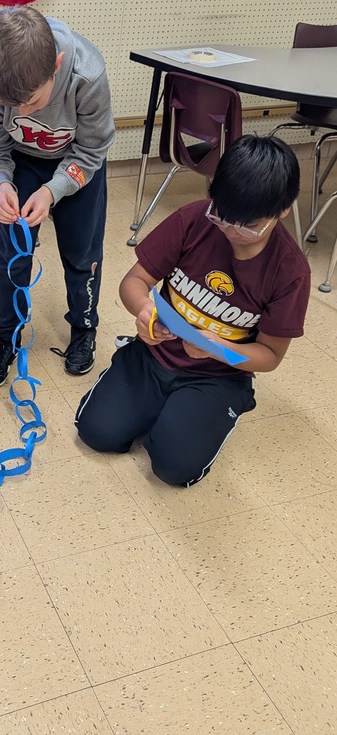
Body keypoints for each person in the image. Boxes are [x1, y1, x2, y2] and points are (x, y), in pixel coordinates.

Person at [75, 133, 311, 487]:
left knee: (175, 469)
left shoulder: (290, 271)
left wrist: (217, 347)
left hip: (218, 375)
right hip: (155, 353)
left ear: (283, 209)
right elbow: (134, 282)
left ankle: (205, 410)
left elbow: (270, 355)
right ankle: (147, 387)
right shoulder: (193, 219)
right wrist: (144, 312)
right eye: (222, 216)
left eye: (249, 226)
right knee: (96, 433)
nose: (232, 233)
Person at [0, 6, 115, 388]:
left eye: (32, 103)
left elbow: (92, 151)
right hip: (21, 165)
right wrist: (1, 183)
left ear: (57, 65)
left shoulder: (88, 73)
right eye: (11, 105)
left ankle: (84, 329)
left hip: (75, 164)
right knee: (11, 255)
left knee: (83, 255)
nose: (20, 111)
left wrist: (54, 190)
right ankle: (7, 337)